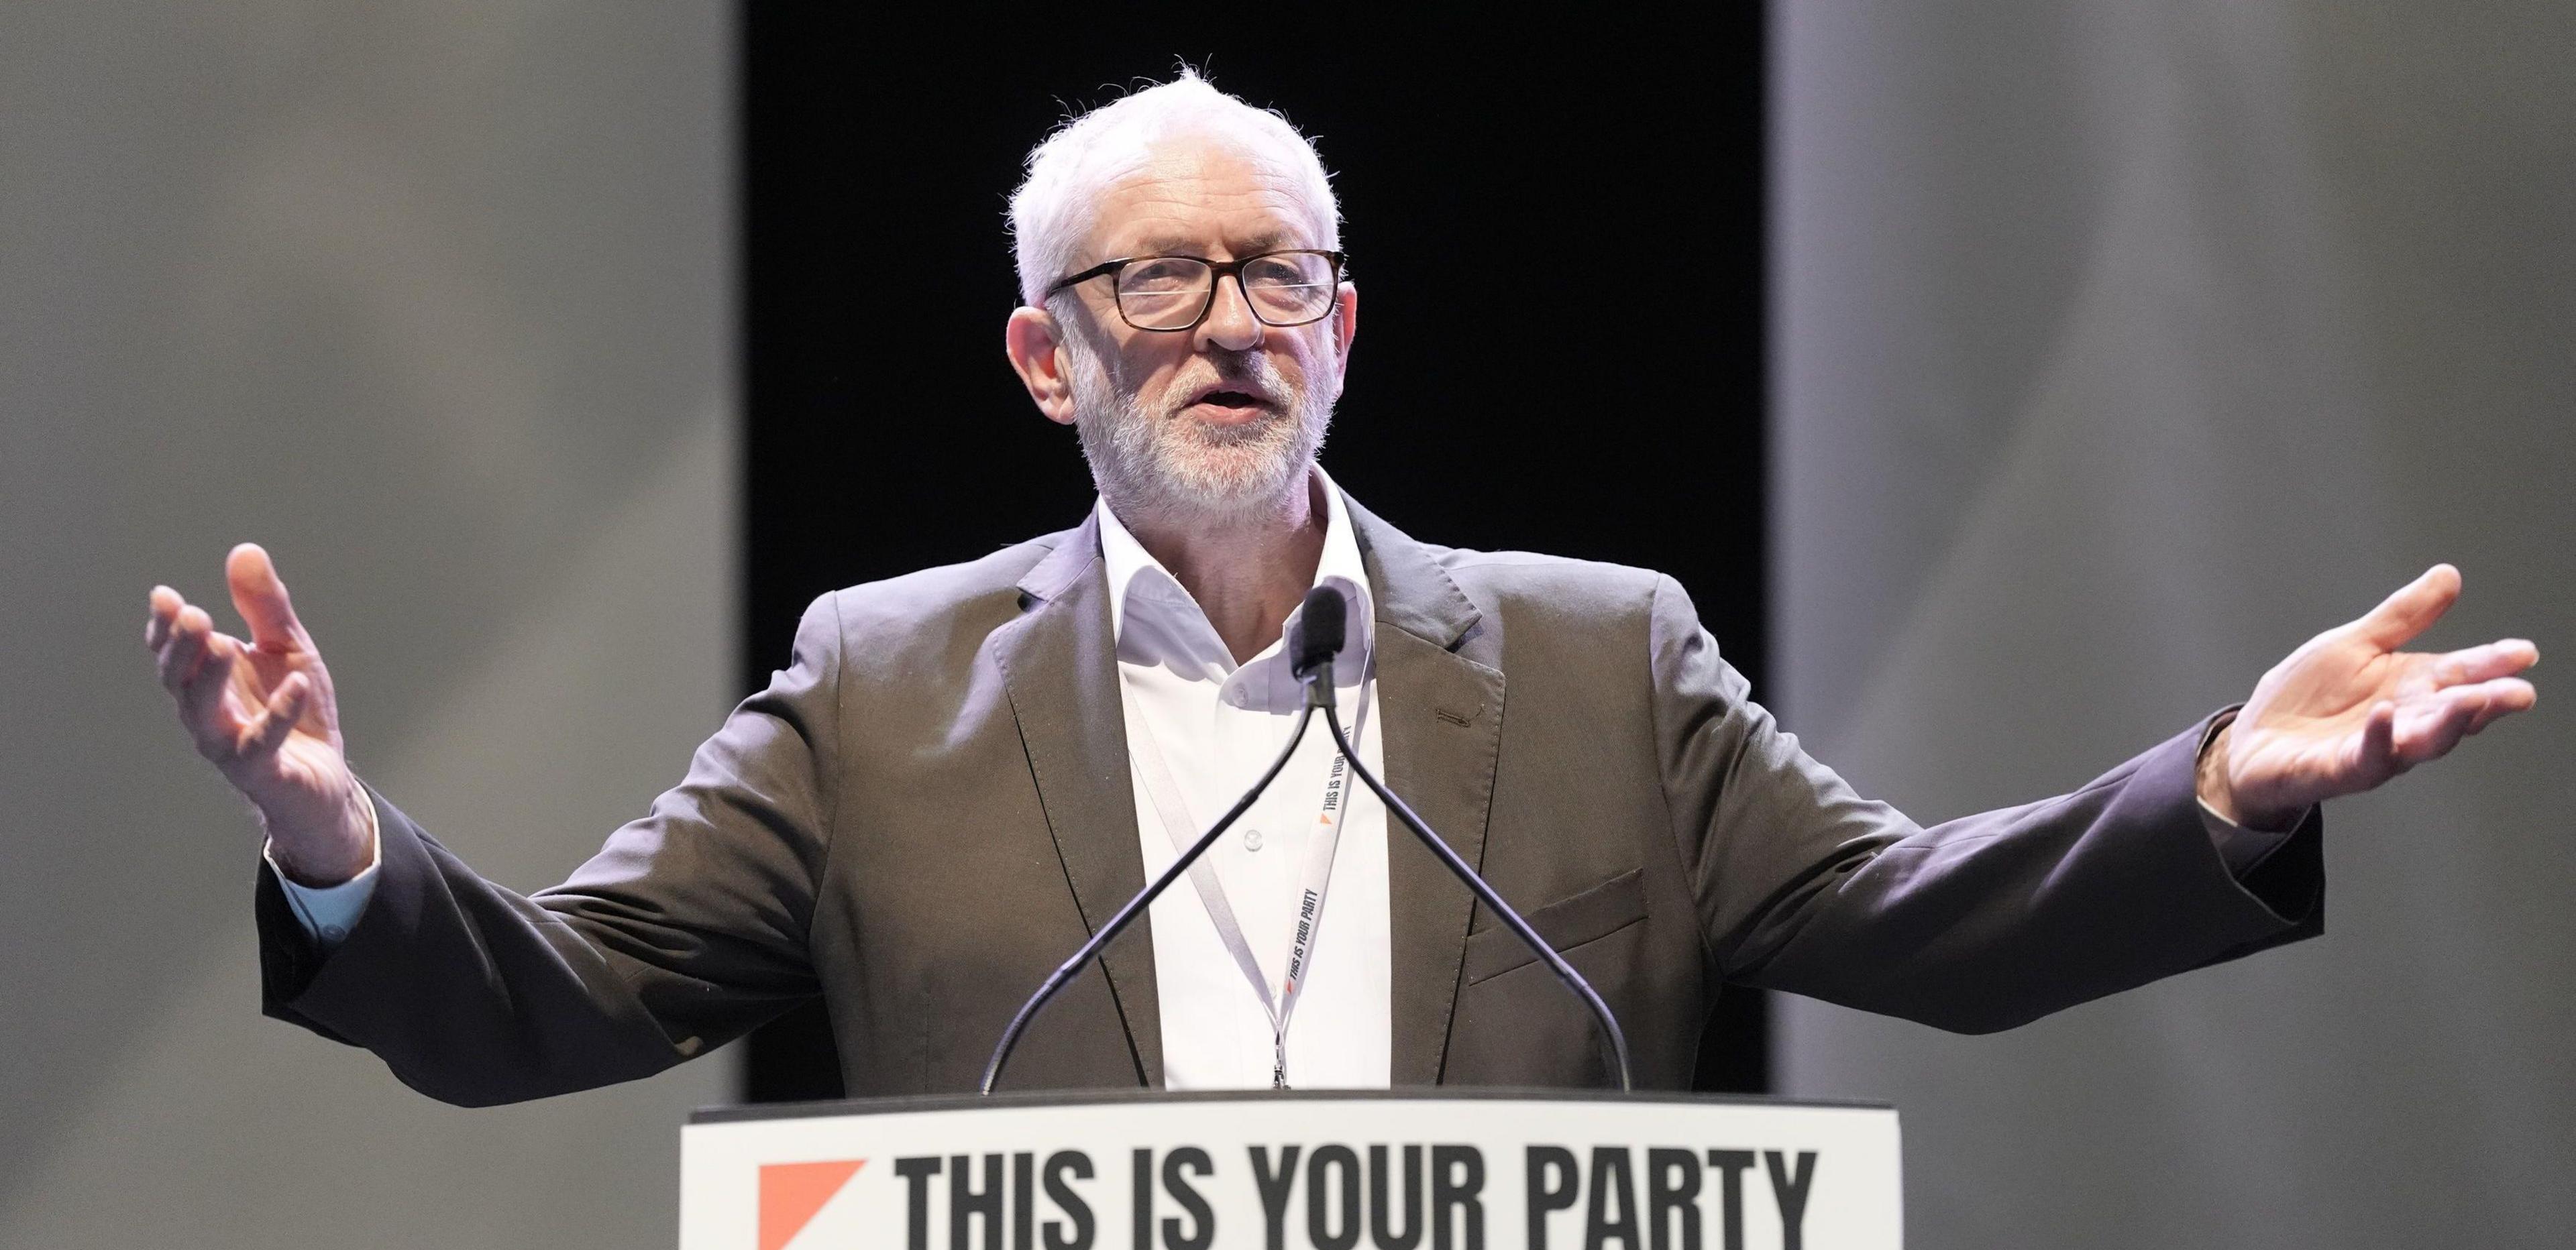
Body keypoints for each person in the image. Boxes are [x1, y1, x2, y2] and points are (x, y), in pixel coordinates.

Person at [142, 73, 2536, 1104]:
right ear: (1039, 354)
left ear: (1349, 324)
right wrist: (335, 848)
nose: (1226, 322)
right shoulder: (881, 692)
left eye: (1277, 272)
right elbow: (560, 1002)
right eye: (1154, 280)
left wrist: (2219, 785)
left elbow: (1914, 920)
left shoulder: (1607, 655)